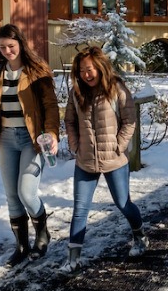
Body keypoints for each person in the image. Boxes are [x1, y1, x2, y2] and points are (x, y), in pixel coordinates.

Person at [0, 24, 59, 267]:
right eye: (3, 47)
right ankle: (21, 246)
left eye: (11, 46)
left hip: (32, 140)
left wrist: (52, 134)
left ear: (21, 44)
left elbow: (50, 106)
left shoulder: (37, 70)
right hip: (6, 138)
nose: (7, 51)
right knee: (11, 196)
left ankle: (42, 234)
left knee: (26, 191)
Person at [61, 46, 145, 272]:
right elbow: (69, 121)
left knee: (123, 203)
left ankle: (139, 236)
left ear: (100, 67)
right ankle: (73, 259)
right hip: (85, 160)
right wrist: (74, 145)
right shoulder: (76, 92)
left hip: (114, 159)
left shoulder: (116, 88)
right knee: (80, 209)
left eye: (89, 69)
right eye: (81, 71)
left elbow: (129, 120)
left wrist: (119, 145)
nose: (85, 74)